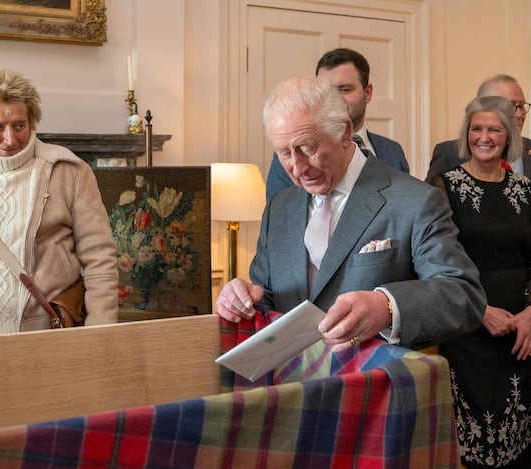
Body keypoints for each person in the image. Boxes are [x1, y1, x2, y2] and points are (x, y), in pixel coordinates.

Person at [215, 75, 486, 352]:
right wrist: (242, 297)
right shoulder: (278, 208)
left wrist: (387, 307)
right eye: (284, 153)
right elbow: (267, 297)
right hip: (291, 387)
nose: (297, 168)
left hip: (373, 387)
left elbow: (463, 295)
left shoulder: (415, 201)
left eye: (307, 148)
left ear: (344, 132)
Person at [0, 69, 118, 336]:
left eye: (19, 125)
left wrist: (100, 330)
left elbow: (100, 257)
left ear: (32, 123)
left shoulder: (68, 172)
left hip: (44, 334)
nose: (11, 138)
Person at [430, 96, 531, 469]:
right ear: (465, 134)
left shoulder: (526, 189)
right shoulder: (444, 186)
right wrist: (479, 309)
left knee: (519, 431)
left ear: (509, 137)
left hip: (523, 333)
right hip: (470, 328)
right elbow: (438, 259)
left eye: (494, 129)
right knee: (482, 443)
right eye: (476, 128)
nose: (484, 137)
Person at [265, 48, 409, 200]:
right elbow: (282, 215)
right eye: (326, 91)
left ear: (367, 92)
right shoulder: (292, 157)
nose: (334, 98)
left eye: (345, 89)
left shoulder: (392, 151)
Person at [426, 74, 531, 182]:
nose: (520, 114)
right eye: (510, 106)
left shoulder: (528, 149)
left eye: (522, 105)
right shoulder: (448, 154)